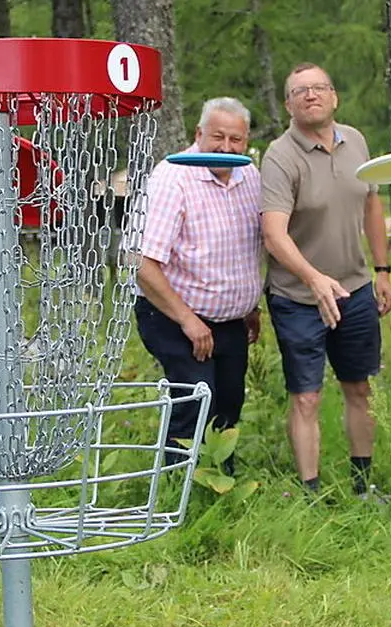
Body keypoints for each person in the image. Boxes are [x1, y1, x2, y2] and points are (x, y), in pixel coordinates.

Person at [259, 63, 391, 496]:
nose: (310, 95)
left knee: (359, 387)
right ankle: (311, 492)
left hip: (354, 290)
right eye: (299, 91)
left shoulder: (355, 141)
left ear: (334, 96)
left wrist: (382, 269)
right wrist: (314, 279)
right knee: (307, 396)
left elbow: (372, 205)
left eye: (318, 88)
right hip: (298, 297)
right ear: (288, 104)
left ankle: (361, 485)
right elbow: (273, 234)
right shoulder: (280, 156)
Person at [135, 97, 263, 475]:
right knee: (194, 402)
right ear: (198, 134)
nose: (226, 148)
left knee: (228, 406)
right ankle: (178, 494)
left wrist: (249, 305)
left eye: (236, 139)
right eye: (218, 137)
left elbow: (245, 247)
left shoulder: (249, 175)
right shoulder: (172, 177)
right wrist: (189, 321)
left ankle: (221, 490)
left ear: (246, 140)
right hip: (173, 315)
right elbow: (142, 263)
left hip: (230, 322)